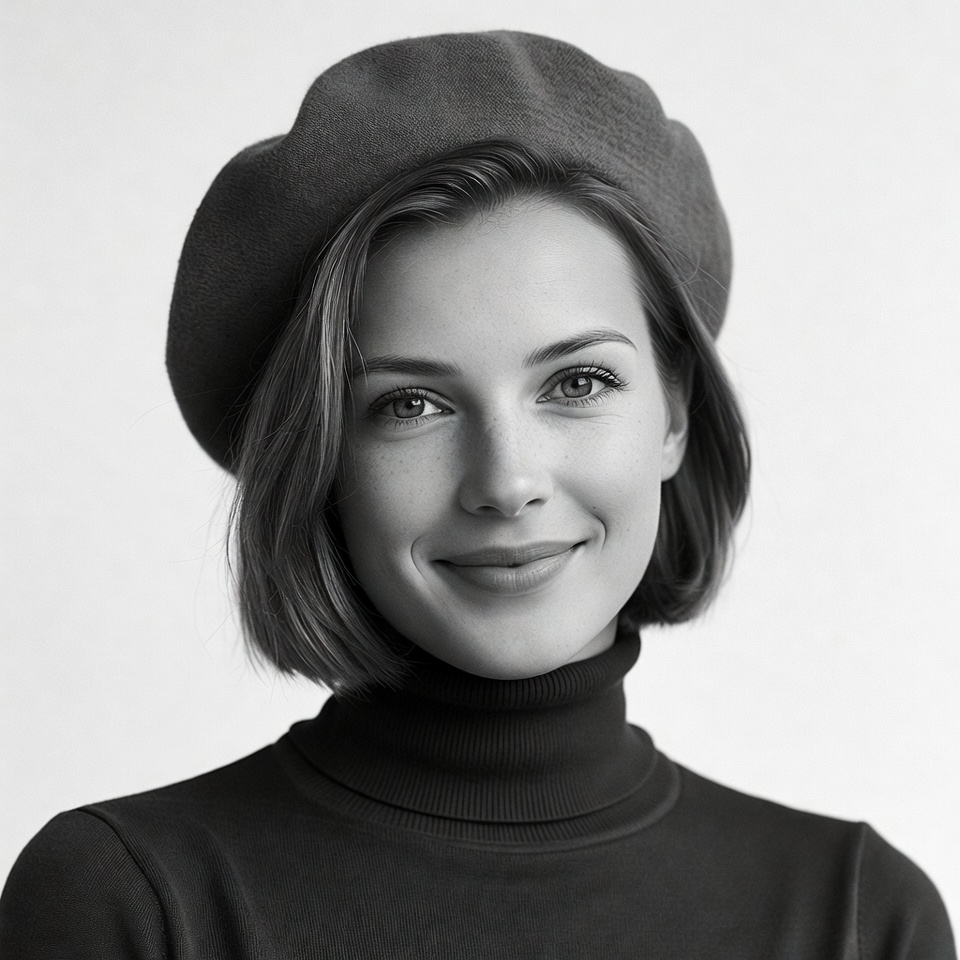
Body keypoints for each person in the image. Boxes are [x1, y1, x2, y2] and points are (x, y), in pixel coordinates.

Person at [0, 30, 954, 959]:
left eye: (577, 384)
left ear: (673, 416)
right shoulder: (132, 903)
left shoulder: (861, 916)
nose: (506, 482)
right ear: (319, 453)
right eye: (410, 403)